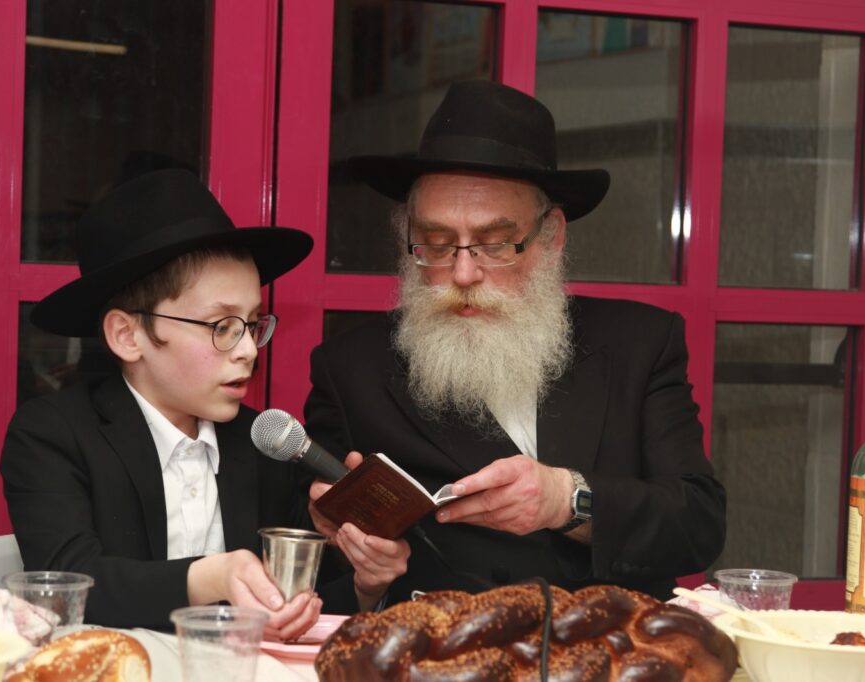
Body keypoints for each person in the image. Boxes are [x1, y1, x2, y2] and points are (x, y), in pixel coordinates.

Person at [304, 80, 727, 606]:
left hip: (614, 642)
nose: (463, 273)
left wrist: (566, 499)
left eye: (496, 244)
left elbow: (698, 525)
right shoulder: (352, 371)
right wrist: (365, 576)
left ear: (552, 236)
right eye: (436, 243)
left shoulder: (639, 344)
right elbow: (315, 581)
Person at [1, 169, 364, 633]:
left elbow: (305, 601)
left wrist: (364, 580)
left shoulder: (261, 444)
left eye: (252, 324)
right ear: (128, 335)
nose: (249, 350)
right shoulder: (53, 433)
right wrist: (210, 576)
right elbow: (68, 583)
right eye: (222, 326)